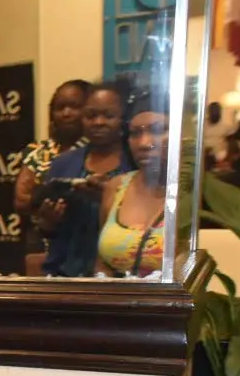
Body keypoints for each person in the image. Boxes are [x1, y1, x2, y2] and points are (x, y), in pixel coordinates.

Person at [38, 85, 134, 277]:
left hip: (119, 278)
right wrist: (49, 219)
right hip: (64, 274)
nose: (98, 122)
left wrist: (108, 200)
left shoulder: (135, 165)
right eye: (90, 116)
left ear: (123, 119)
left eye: (108, 116)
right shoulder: (62, 164)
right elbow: (48, 230)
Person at [97, 90, 168, 278]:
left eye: (157, 130)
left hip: (176, 305)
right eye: (135, 133)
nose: (144, 143)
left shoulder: (195, 194)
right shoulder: (116, 186)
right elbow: (102, 261)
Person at [14, 79, 90, 220]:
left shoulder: (97, 150)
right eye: (60, 108)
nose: (66, 113)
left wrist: (40, 192)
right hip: (40, 238)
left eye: (75, 107)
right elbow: (21, 201)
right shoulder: (39, 151)